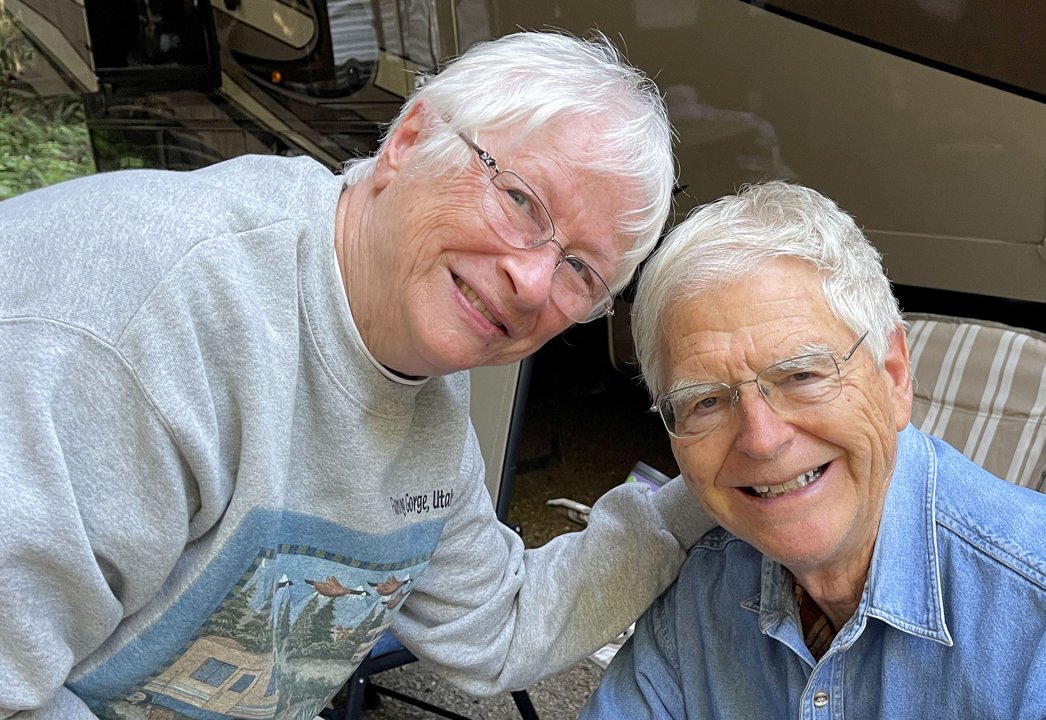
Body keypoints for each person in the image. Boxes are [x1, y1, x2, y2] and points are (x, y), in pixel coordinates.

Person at [0, 31, 713, 719]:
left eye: (580, 270)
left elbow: (496, 624)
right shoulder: (140, 329)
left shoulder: (418, 367)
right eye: (520, 200)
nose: (531, 283)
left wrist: (714, 480)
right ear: (410, 140)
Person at [582, 181, 1046, 718]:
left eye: (803, 375)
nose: (761, 437)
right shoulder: (704, 587)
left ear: (896, 376)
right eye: (705, 401)